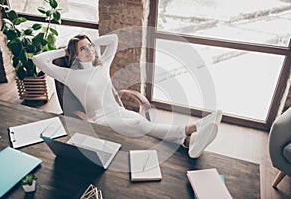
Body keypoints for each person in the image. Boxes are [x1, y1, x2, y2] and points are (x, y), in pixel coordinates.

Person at [33, 33, 222, 158]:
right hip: (100, 120)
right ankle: (193, 128)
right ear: (74, 54)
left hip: (118, 111)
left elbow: (113, 39)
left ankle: (188, 140)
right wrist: (67, 50)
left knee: (142, 124)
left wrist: (90, 44)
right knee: (138, 123)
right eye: (83, 49)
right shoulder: (70, 75)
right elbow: (38, 60)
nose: (90, 50)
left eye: (90, 46)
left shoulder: (102, 65)